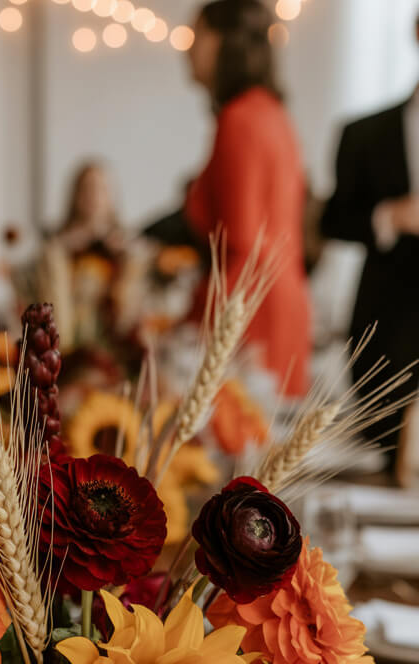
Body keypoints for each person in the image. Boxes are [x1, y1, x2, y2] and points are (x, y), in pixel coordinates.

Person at [322, 0, 419, 524]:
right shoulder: (366, 131)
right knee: (378, 456)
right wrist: (388, 216)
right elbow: (333, 218)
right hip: (393, 310)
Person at [184, 0, 311, 397]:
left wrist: (194, 330)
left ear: (225, 43)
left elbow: (241, 245)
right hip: (280, 302)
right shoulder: (271, 113)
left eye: (196, 36)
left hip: (252, 317)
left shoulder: (240, 119)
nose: (186, 49)